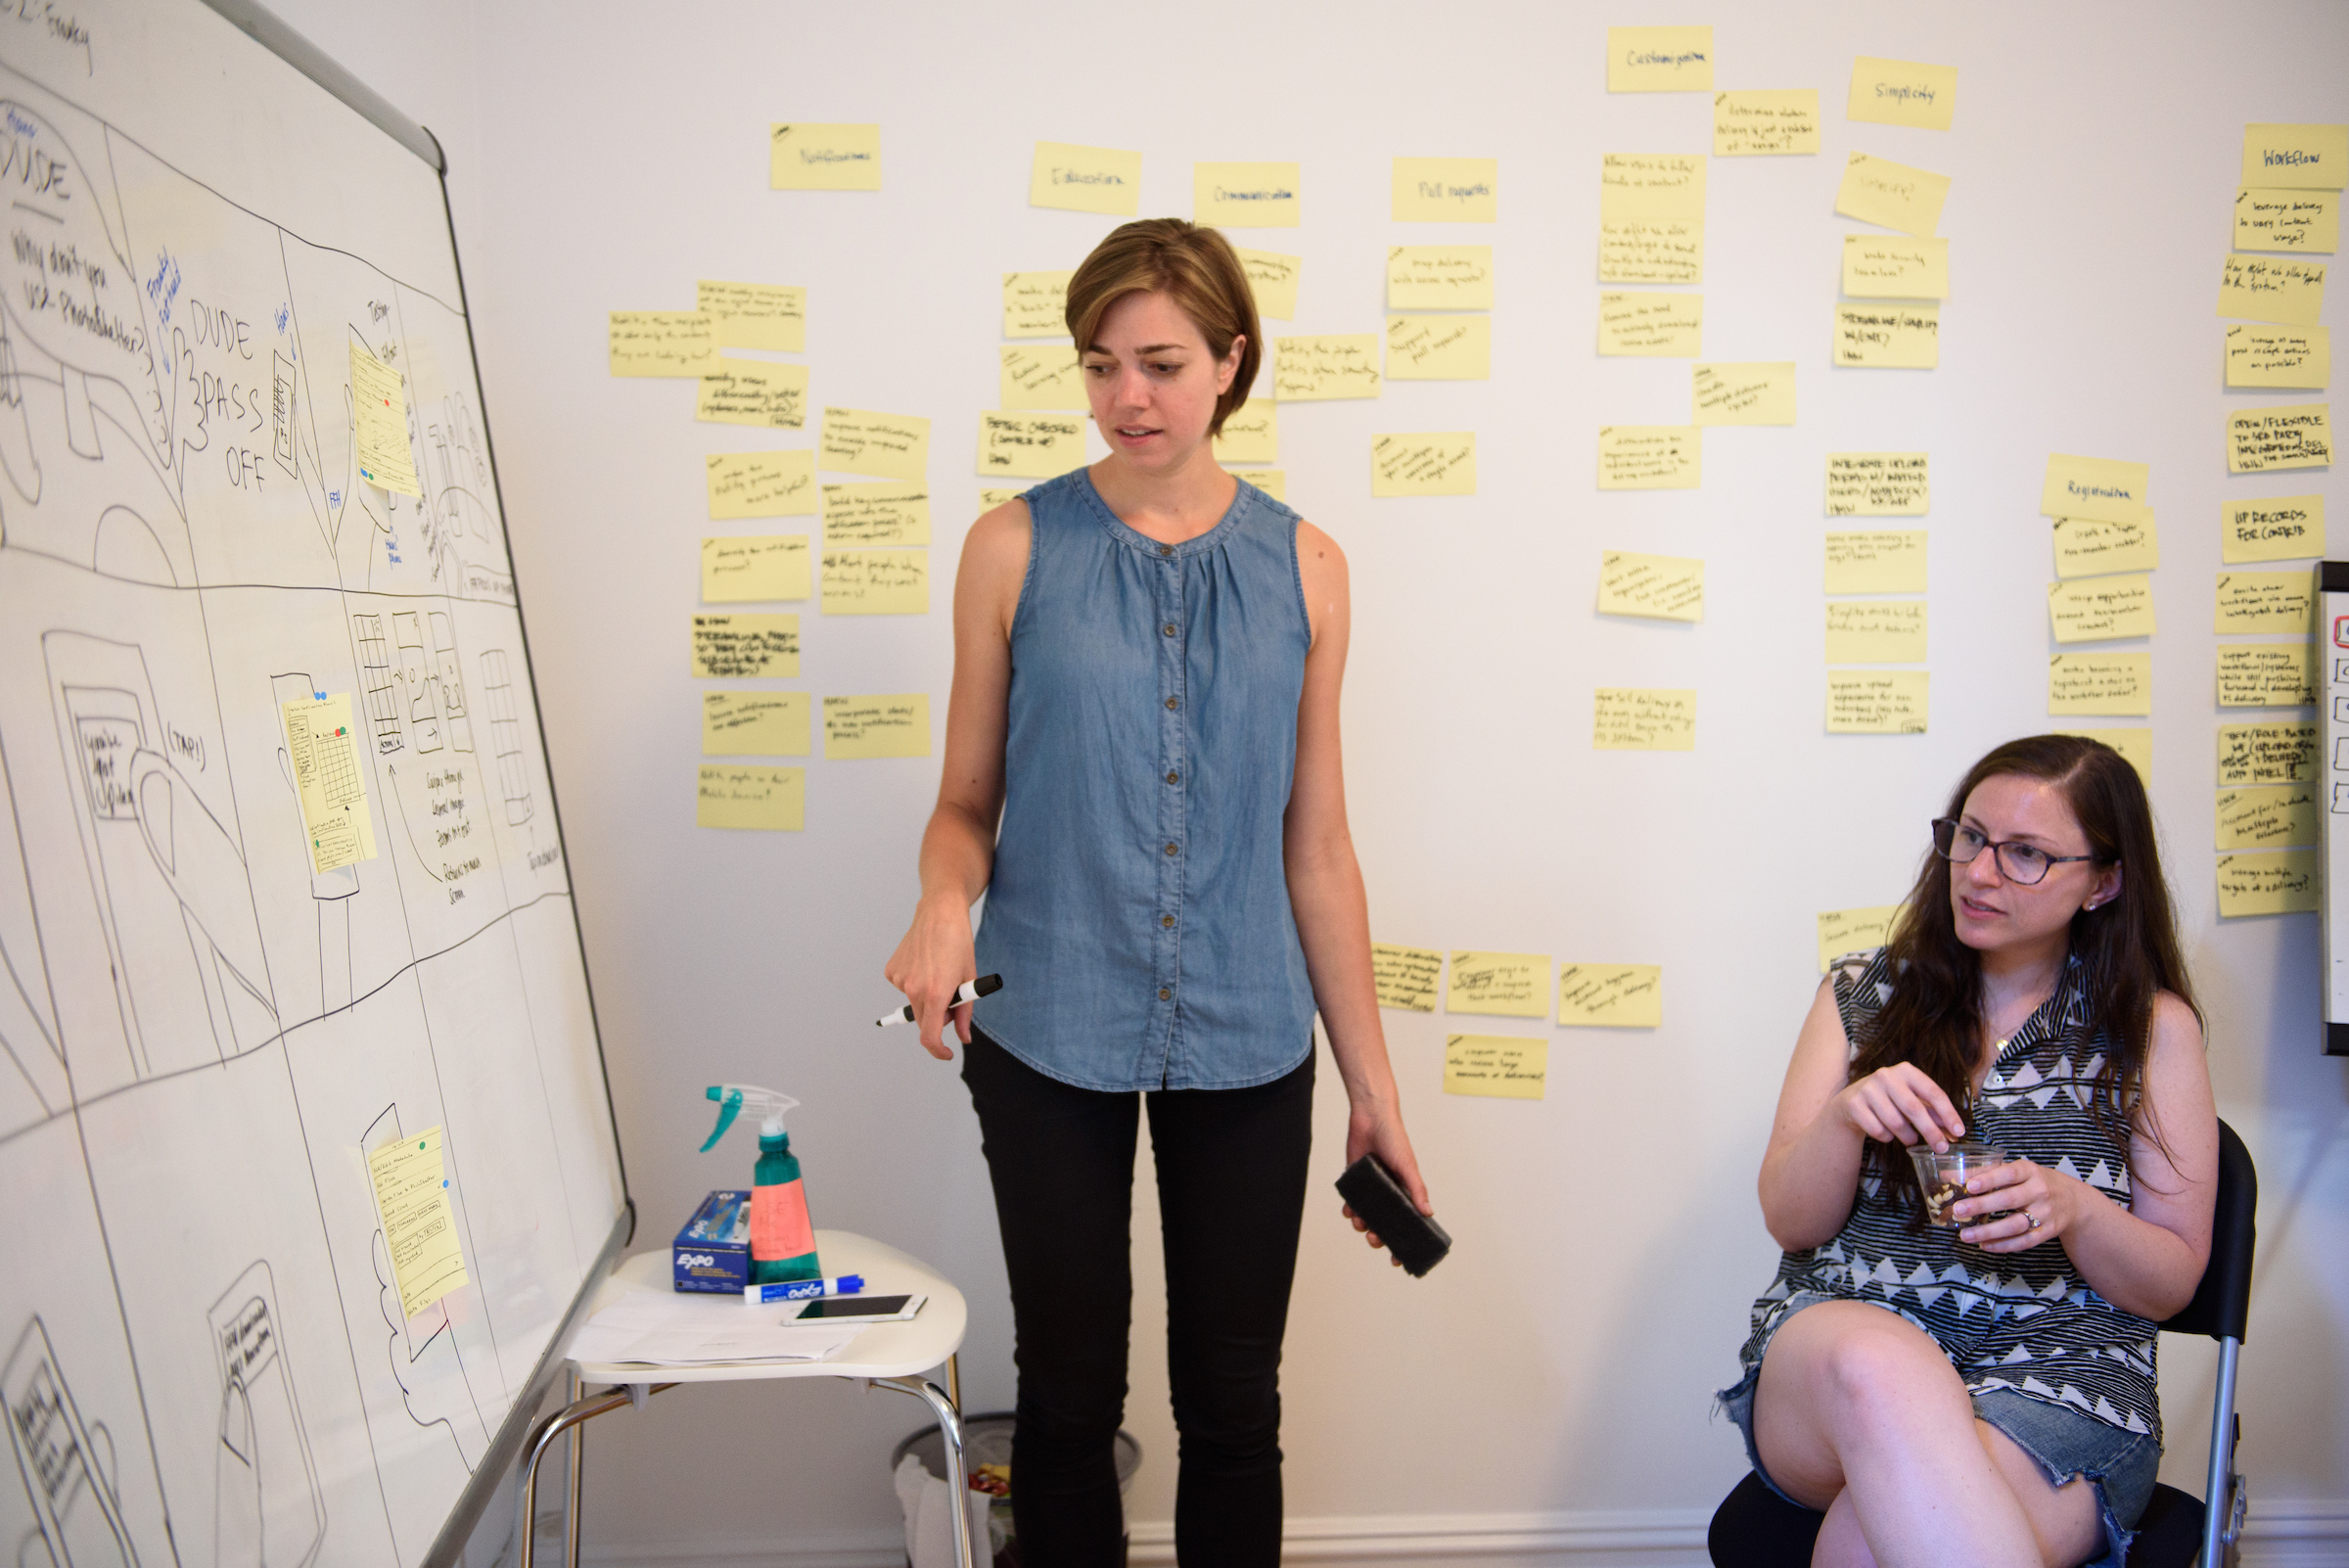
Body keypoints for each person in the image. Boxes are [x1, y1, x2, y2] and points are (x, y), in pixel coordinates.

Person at [885, 217, 1431, 1568]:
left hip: (1249, 1030)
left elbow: (1319, 843)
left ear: (1231, 364)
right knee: (1068, 1401)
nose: (1128, 395)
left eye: (1163, 363)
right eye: (1100, 363)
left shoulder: (1312, 569)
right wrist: (941, 903)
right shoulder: (1010, 548)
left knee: (1235, 1406)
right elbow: (965, 806)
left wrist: (1374, 1086)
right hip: (1047, 1019)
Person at [1718, 735, 2218, 1568]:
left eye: (2026, 854)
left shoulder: (2153, 1030)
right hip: (1837, 1372)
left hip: (2060, 1384)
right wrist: (1845, 1120)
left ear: (2105, 881)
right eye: (1971, 836)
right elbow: (1789, 1222)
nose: (1980, 872)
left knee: (1861, 1544)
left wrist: (2077, 1209)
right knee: (1880, 1368)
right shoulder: (1859, 993)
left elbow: (2170, 1284)